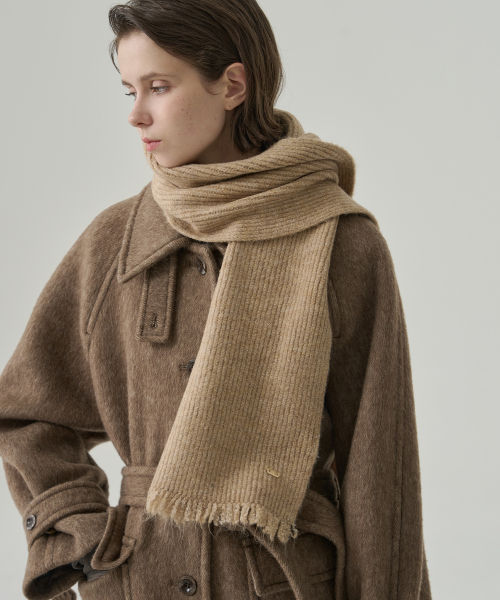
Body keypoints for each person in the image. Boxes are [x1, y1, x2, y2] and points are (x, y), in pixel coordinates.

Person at [0, 1, 432, 599]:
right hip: (137, 581)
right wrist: (75, 526)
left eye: (158, 86)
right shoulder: (114, 243)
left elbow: (380, 464)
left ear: (232, 85)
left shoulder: (343, 244)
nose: (136, 114)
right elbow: (28, 411)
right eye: (129, 90)